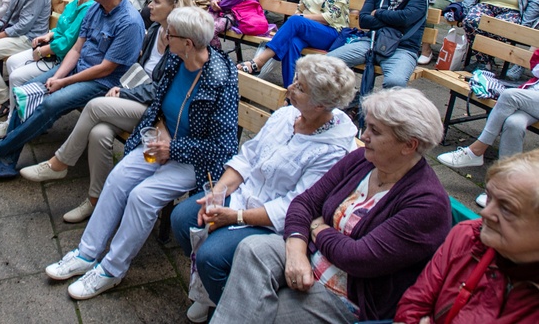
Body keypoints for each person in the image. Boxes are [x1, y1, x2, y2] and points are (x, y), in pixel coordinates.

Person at [44, 6, 238, 300]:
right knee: (118, 178)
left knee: (142, 197)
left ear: (188, 43)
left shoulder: (220, 79)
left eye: (170, 34)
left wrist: (173, 147)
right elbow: (158, 101)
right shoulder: (176, 60)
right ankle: (86, 253)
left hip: (193, 160)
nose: (164, 36)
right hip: (159, 143)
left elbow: (222, 148)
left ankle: (112, 269)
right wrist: (159, 128)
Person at [212, 88, 452, 324]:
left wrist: (319, 229)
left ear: (409, 145)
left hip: (347, 296)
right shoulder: (363, 160)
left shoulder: (426, 204)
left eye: (375, 131)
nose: (364, 135)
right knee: (253, 249)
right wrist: (296, 253)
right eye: (366, 126)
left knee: (268, 311)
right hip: (311, 258)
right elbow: (304, 203)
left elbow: (359, 258)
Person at [173, 55, 358, 320]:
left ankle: (229, 300)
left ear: (322, 105)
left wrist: (234, 218)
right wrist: (219, 191)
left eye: (300, 88)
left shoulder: (332, 150)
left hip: (273, 224)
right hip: (243, 197)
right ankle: (208, 289)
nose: (290, 88)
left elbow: (295, 206)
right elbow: (248, 158)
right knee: (182, 218)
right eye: (295, 81)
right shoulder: (287, 114)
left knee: (211, 257)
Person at [18, 0, 194, 222]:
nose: (149, 6)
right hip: (137, 97)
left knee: (94, 105)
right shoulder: (156, 29)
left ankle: (59, 163)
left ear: (174, 7)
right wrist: (124, 88)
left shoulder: (183, 40)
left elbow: (164, 88)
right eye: (151, 0)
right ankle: (96, 201)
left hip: (158, 111)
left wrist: (124, 93)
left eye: (156, 2)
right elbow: (140, 69)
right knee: (99, 133)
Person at [0, 0, 144, 179]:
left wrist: (63, 82)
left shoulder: (129, 22)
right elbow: (77, 48)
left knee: (49, 103)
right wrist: (57, 76)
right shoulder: (96, 8)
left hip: (102, 82)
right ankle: (8, 161)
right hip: (77, 68)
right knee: (25, 95)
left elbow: (105, 68)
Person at [397, 149, 539, 323]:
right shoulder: (468, 236)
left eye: (507, 209)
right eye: (489, 197)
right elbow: (414, 303)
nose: (485, 212)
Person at [0, 0, 98, 137]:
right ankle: (23, 116)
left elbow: (69, 42)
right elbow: (62, 28)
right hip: (54, 49)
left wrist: (45, 49)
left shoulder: (88, 9)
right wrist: (49, 35)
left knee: (16, 76)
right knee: (13, 62)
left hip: (60, 58)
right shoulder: (75, 2)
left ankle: (12, 124)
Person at [437, 49, 539, 207]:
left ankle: (477, 150)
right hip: (533, 95)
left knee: (510, 96)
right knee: (514, 123)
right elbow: (535, 66)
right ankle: (502, 187)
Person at [328, 0, 430, 103]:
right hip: (371, 42)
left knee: (395, 83)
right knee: (327, 63)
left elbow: (405, 18)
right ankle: (351, 99)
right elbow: (364, 20)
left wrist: (379, 13)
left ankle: (383, 120)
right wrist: (394, 21)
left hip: (402, 48)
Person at [241, 0, 350, 87]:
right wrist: (301, 19)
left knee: (296, 21)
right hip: (307, 30)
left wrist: (302, 19)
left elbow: (330, 17)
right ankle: (291, 91)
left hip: (331, 33)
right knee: (292, 43)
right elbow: (300, 9)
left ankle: (259, 61)